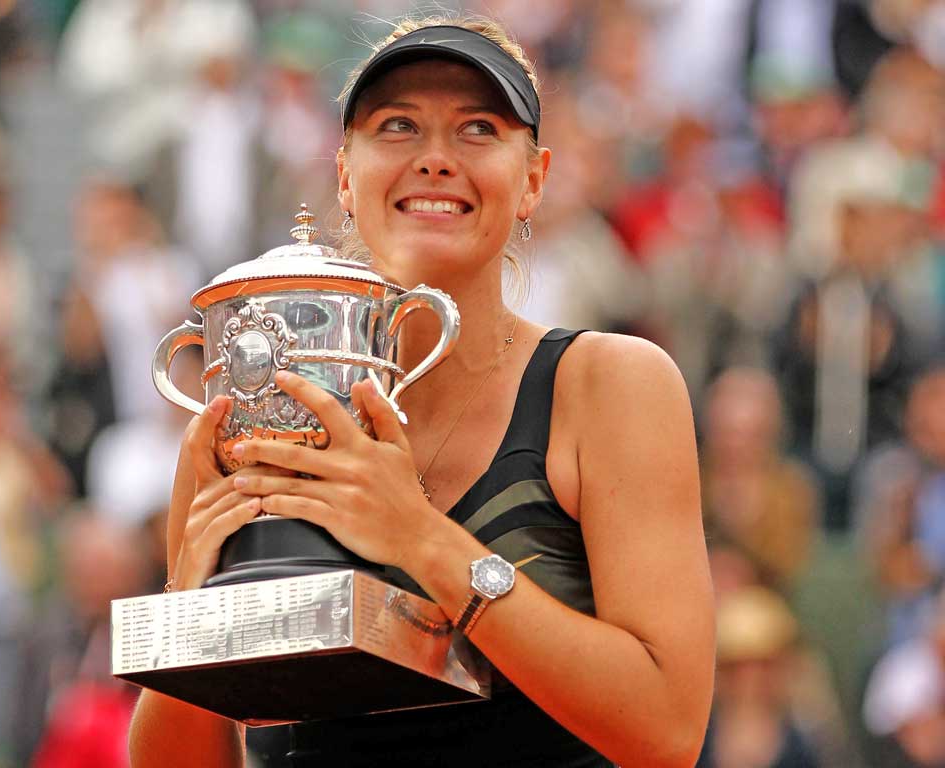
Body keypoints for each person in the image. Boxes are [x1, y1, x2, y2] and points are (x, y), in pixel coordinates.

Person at [128, 15, 714, 768]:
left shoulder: (608, 385)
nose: (435, 159)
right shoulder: (244, 431)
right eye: (398, 126)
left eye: (477, 129)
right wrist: (191, 610)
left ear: (533, 180)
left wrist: (421, 538)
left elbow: (667, 731)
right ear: (344, 175)